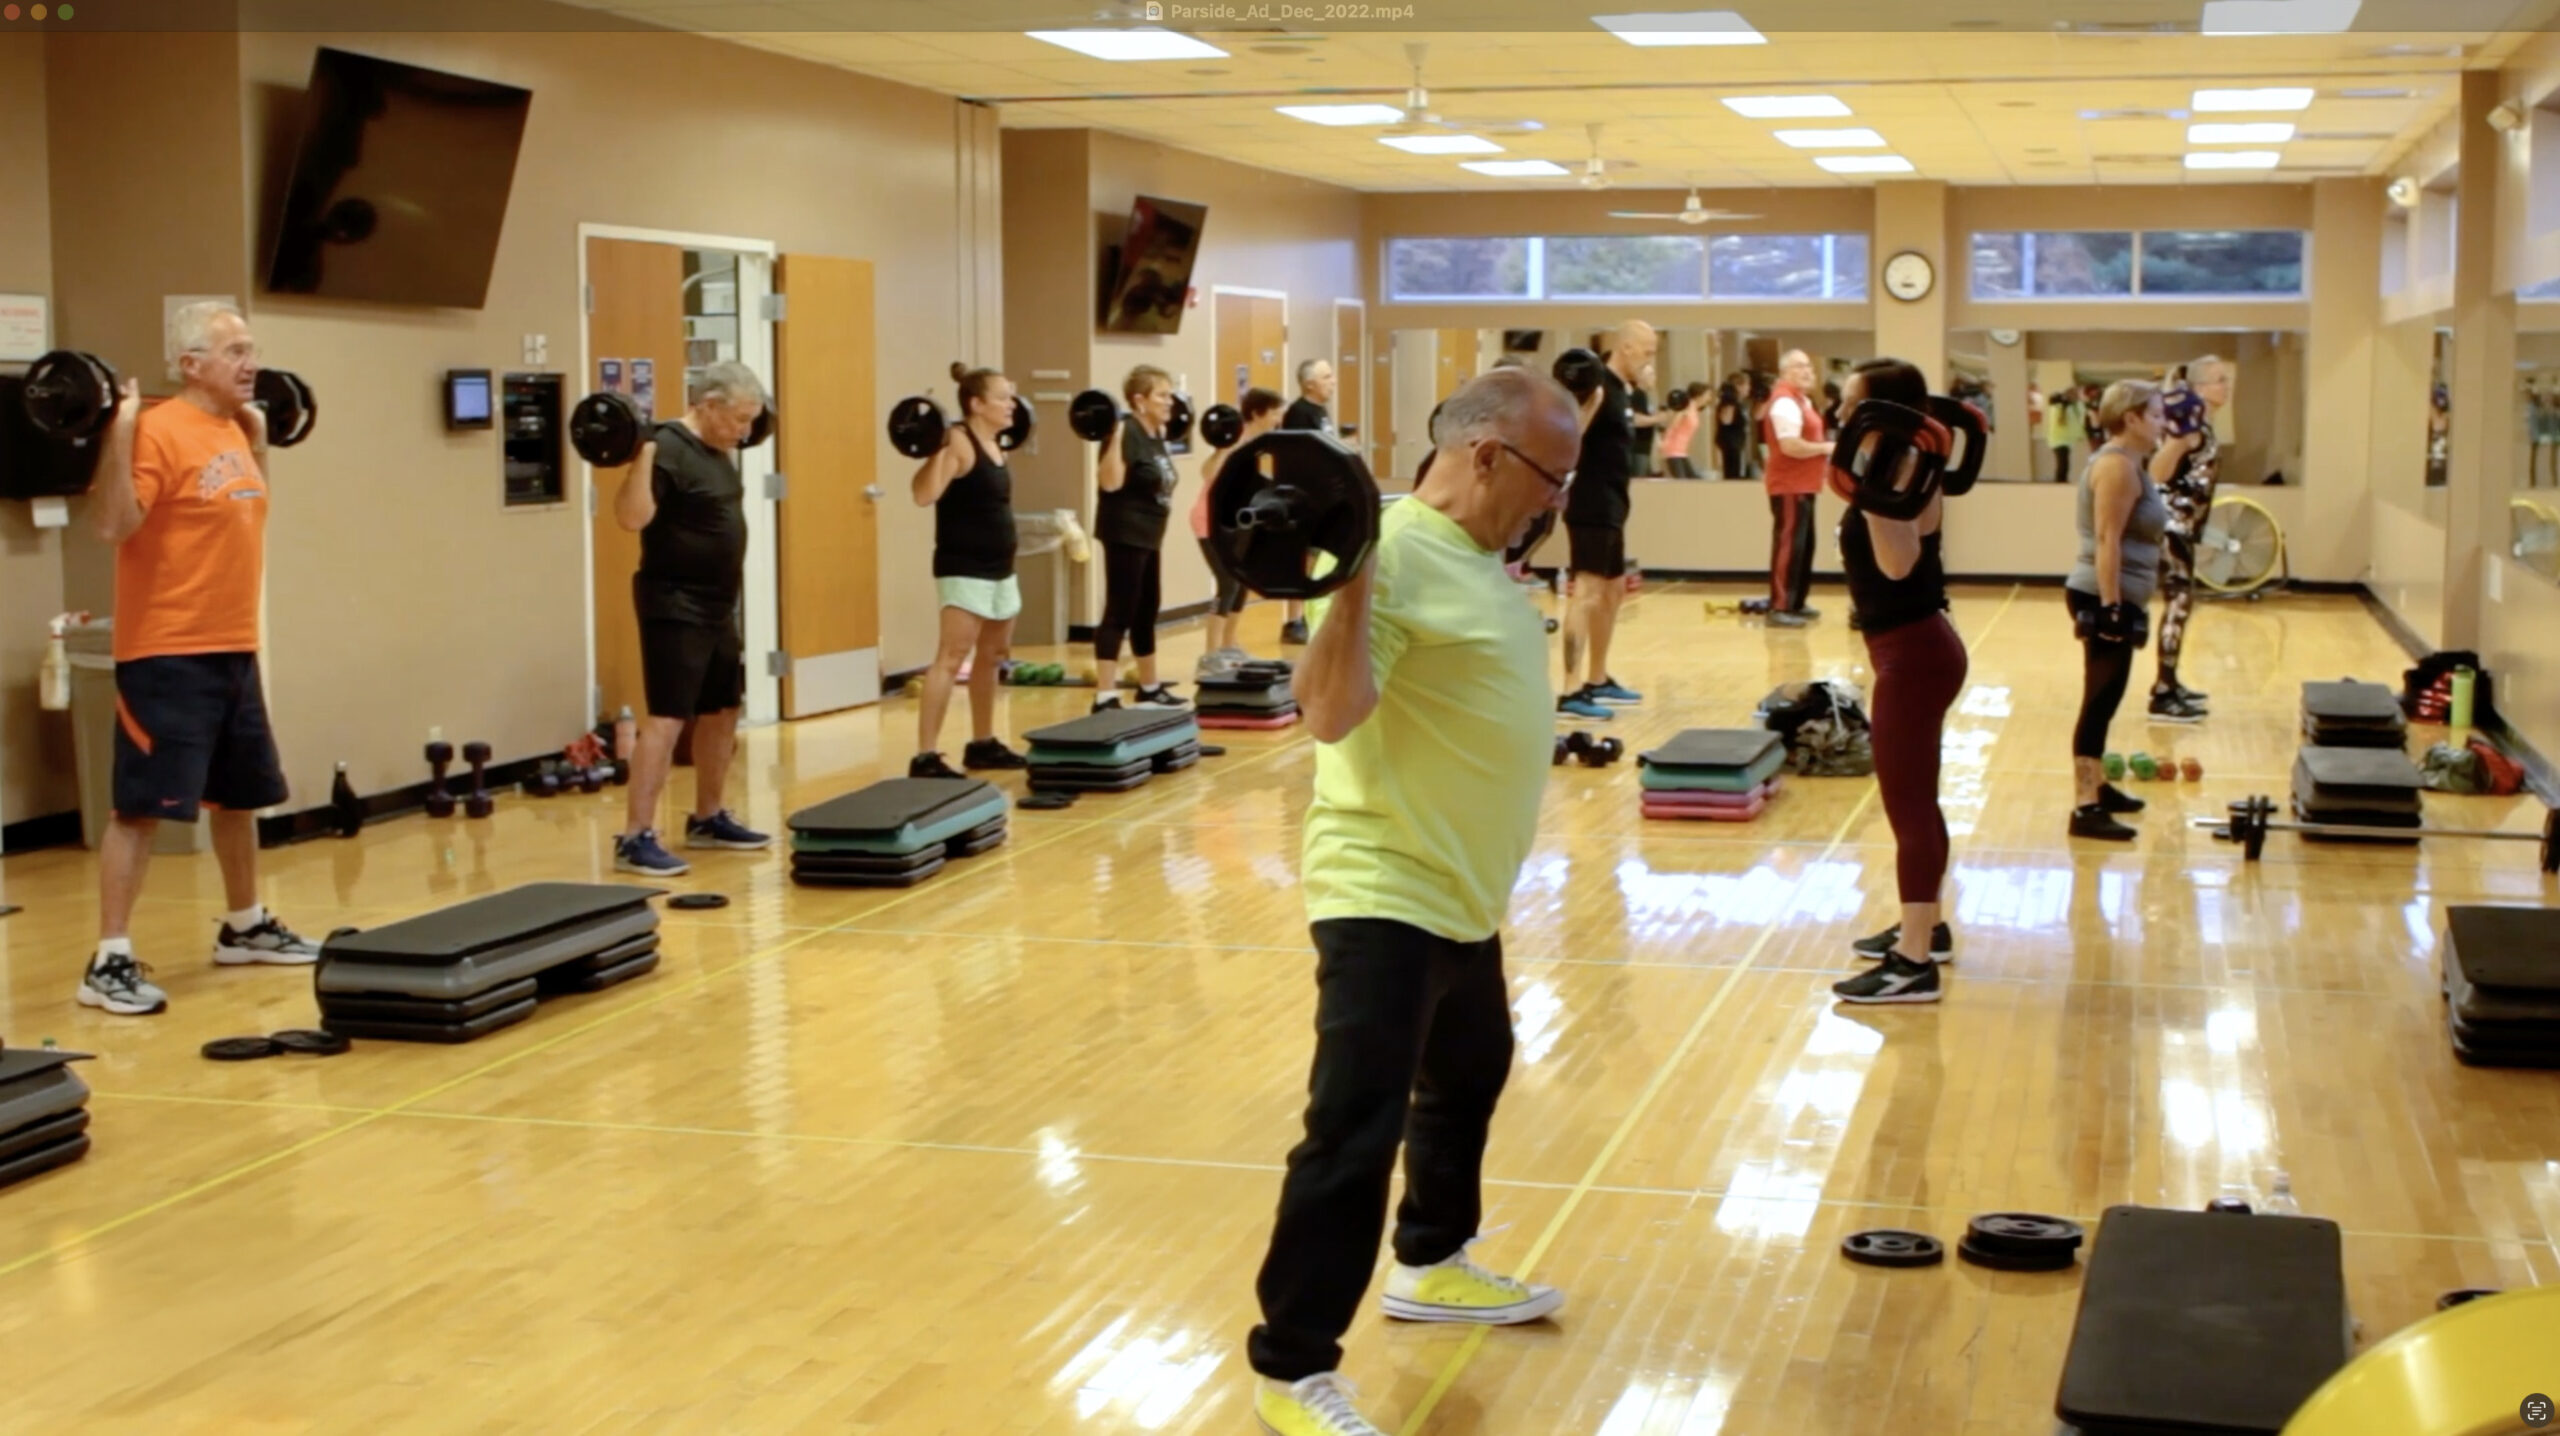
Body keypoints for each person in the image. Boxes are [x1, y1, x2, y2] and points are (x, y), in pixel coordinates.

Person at [1246, 367, 1576, 1436]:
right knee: (1352, 1128)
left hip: (1459, 889)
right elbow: (1329, 714)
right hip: (1385, 884)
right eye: (1549, 476)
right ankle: (1290, 1367)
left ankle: (1429, 1261)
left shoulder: (1480, 556)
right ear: (1485, 454)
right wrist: (1349, 579)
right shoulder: (1391, 554)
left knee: (1469, 1068)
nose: (1556, 501)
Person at [77, 300, 323, 1015]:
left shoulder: (237, 428)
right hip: (166, 652)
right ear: (191, 365)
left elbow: (244, 514)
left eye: (252, 349)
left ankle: (244, 925)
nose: (252, 363)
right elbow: (113, 524)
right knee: (140, 809)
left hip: (233, 645)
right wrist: (120, 430)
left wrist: (263, 444)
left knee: (240, 796)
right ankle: (108, 958)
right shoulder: (156, 429)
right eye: (235, 351)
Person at [1828, 360, 1968, 1006]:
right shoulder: (1901, 468)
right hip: (1917, 649)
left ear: (1880, 415)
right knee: (1919, 802)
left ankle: (1913, 964)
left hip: (1912, 654)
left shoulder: (1899, 474)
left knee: (1908, 809)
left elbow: (1900, 561)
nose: (1838, 416)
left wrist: (1869, 500)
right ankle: (1926, 927)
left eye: (1850, 405)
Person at [610, 362, 774, 877]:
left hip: (718, 603)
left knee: (723, 707)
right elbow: (630, 518)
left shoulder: (718, 449)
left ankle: (707, 818)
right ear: (707, 405)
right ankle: (635, 836)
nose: (747, 431)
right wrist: (643, 457)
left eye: (752, 420)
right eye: (740, 420)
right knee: (666, 717)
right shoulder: (665, 448)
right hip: (673, 602)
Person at [910, 363, 1033, 780]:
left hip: (1001, 568)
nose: (1011, 404)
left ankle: (983, 743)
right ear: (976, 404)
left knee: (994, 655)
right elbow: (923, 495)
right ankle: (925, 755)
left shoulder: (997, 443)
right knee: (951, 657)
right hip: (964, 567)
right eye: (1002, 397)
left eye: (1011, 396)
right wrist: (934, 448)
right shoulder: (958, 442)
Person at [2063, 380, 2169, 842]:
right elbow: (2107, 539)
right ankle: (2085, 808)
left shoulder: (2132, 464)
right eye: (2158, 414)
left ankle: (2100, 788)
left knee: (2108, 697)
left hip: (2119, 595)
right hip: (2104, 597)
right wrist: (2110, 608)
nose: (2164, 423)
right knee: (2099, 701)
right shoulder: (2116, 467)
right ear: (2131, 418)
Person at [1556, 320, 1655, 721]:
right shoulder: (1597, 389)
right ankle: (1568, 691)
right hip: (1591, 504)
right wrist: (1588, 405)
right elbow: (1568, 437)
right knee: (1589, 593)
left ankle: (1597, 680)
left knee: (1613, 592)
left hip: (1614, 505)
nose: (1650, 360)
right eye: (1647, 352)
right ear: (1627, 348)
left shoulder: (1622, 391)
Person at [1093, 364, 1185, 711]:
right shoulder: (1126, 432)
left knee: (1147, 609)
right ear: (1139, 400)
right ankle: (1105, 695)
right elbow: (1110, 483)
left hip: (1149, 535)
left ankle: (1149, 687)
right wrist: (1114, 435)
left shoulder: (1154, 434)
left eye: (1169, 394)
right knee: (1120, 610)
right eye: (1162, 395)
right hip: (1125, 533)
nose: (1169, 401)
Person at [2147, 356, 2229, 723]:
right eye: (2217, 380)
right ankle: (2163, 693)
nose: (2225, 386)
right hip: (2172, 528)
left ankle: (2170, 683)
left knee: (2182, 605)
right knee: (2178, 605)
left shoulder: (2205, 427)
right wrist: (2179, 440)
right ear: (2197, 389)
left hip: (2186, 529)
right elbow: (2157, 472)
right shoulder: (2187, 428)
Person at [1195, 386, 1286, 678]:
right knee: (1227, 582)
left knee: (1242, 580)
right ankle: (1209, 656)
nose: (1278, 419)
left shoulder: (1254, 444)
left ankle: (1228, 645)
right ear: (1258, 414)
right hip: (1208, 520)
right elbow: (1207, 472)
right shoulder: (1235, 441)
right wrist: (1223, 449)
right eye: (1274, 413)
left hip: (1233, 521)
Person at [1761, 348, 1830, 627]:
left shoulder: (1802, 401)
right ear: (1785, 372)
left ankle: (1796, 602)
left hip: (1805, 485)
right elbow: (1790, 446)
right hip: (1789, 485)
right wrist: (1827, 447)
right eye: (1799, 367)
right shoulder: (1784, 402)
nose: (1806, 372)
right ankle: (1780, 607)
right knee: (1789, 545)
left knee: (1804, 545)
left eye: (1809, 367)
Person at [1277, 358, 1340, 645]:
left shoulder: (1320, 412)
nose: (1333, 381)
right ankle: (1293, 619)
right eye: (1326, 377)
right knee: (1301, 559)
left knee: (1316, 559)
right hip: (1304, 497)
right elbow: (1297, 456)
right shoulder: (1298, 413)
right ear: (1309, 383)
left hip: (1324, 496)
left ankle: (1310, 612)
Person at [1660, 383, 1707, 478]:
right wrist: (1664, 442)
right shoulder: (1687, 406)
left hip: (1681, 451)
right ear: (1699, 396)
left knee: (1692, 480)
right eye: (1706, 395)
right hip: (1673, 450)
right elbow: (1673, 424)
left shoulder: (1694, 409)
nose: (1708, 399)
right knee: (1682, 483)